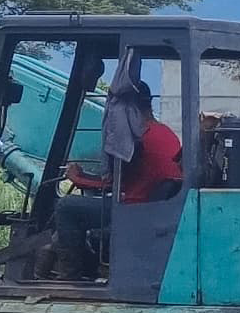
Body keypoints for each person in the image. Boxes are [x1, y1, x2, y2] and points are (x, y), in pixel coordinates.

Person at [52, 75, 183, 276]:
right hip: (150, 205)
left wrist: (77, 178)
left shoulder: (138, 141)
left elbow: (115, 184)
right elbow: (130, 180)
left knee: (66, 206)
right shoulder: (166, 133)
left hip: (134, 209)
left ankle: (70, 275)